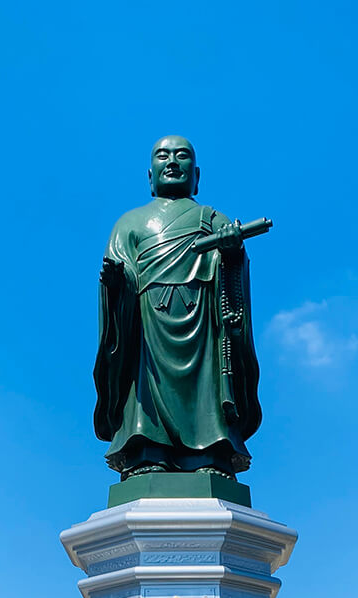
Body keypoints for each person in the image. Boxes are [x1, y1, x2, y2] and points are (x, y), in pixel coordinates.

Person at [93, 136, 262, 480]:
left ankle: (211, 452)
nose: (172, 162)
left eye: (182, 156)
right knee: (146, 388)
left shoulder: (213, 219)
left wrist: (231, 252)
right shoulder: (130, 223)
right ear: (150, 176)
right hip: (147, 324)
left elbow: (234, 280)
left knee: (205, 387)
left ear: (196, 174)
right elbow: (120, 270)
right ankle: (148, 449)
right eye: (163, 156)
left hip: (201, 320)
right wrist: (115, 283)